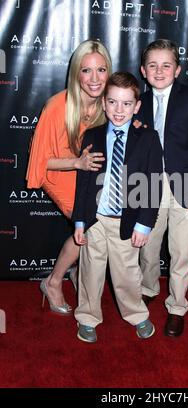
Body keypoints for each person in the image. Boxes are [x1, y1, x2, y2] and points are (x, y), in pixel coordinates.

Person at [72, 72, 163, 342]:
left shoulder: (147, 139)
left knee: (127, 273)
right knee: (90, 271)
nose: (119, 110)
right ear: (103, 103)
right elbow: (84, 183)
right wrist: (79, 221)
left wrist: (144, 224)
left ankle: (136, 314)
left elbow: (153, 185)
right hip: (95, 219)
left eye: (126, 104)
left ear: (137, 106)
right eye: (112, 102)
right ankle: (87, 316)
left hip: (127, 220)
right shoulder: (93, 135)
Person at [136, 39, 188, 337]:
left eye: (166, 65)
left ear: (177, 69)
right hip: (147, 183)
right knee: (147, 245)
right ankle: (148, 287)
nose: (159, 70)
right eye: (153, 65)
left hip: (187, 183)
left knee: (181, 251)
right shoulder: (137, 103)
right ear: (144, 70)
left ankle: (177, 306)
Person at [26, 40, 112, 314]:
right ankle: (52, 282)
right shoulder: (56, 106)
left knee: (103, 220)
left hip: (86, 171)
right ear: (76, 73)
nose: (95, 79)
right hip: (57, 171)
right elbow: (39, 162)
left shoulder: (107, 103)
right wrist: (77, 162)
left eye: (101, 70)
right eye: (87, 71)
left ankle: (76, 272)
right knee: (87, 222)